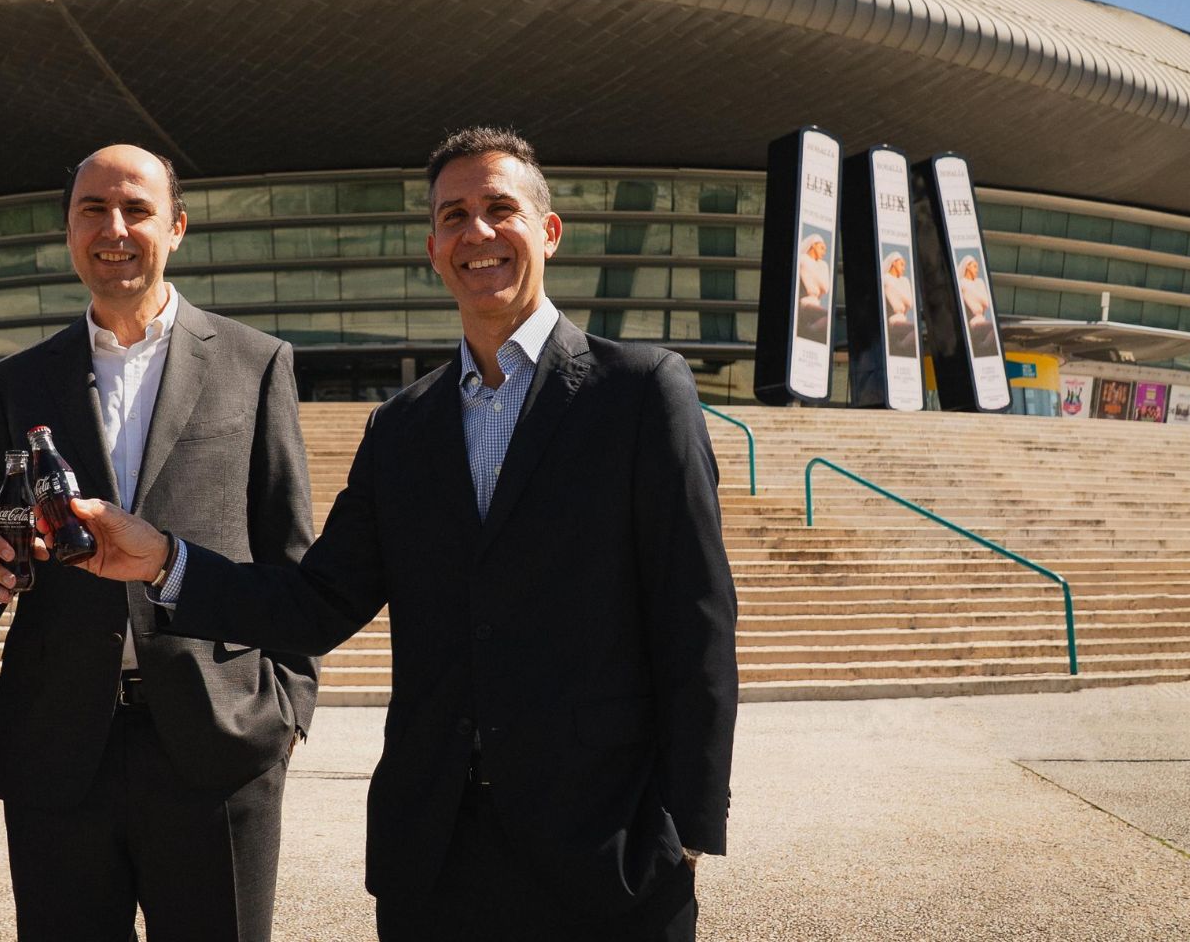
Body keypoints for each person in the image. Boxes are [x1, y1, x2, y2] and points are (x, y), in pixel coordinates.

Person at [42, 128, 738, 941]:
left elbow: (695, 617)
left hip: (607, 846)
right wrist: (164, 560)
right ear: (432, 251)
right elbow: (316, 602)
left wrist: (691, 827)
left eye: (499, 209)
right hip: (437, 855)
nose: (477, 233)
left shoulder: (641, 392)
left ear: (547, 232)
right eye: (454, 217)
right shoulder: (403, 426)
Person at [0, 144, 317, 940]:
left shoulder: (257, 364)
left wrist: (285, 717)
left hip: (221, 746)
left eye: (137, 209)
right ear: (69, 232)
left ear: (177, 227)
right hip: (59, 751)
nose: (114, 228)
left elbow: (291, 559)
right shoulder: (15, 381)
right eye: (93, 210)